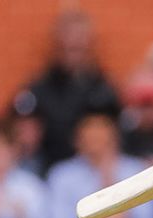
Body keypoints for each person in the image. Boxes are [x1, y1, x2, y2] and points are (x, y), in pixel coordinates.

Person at [14, 10, 121, 172]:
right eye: (69, 41)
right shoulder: (39, 89)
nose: (74, 43)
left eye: (79, 43)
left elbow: (118, 133)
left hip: (90, 170)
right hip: (46, 169)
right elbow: (19, 128)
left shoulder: (103, 90)